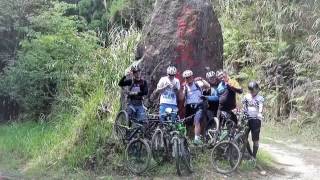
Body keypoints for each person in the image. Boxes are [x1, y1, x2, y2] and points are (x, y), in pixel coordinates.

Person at [180, 70, 210, 145]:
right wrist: (182, 89)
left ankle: (197, 139)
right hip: (189, 107)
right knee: (188, 124)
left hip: (199, 106)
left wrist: (201, 79)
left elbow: (208, 86)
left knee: (197, 121)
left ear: (192, 76)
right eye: (186, 78)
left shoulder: (197, 83)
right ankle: (188, 140)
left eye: (189, 77)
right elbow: (181, 98)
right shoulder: (185, 86)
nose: (188, 79)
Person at [242, 81, 264, 163]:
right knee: (244, 137)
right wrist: (242, 113)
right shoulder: (246, 97)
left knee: (255, 139)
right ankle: (250, 153)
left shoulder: (260, 98)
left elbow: (261, 107)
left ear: (257, 90)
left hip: (256, 120)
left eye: (254, 90)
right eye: (250, 90)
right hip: (247, 119)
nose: (252, 92)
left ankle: (254, 157)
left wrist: (260, 113)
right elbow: (244, 106)